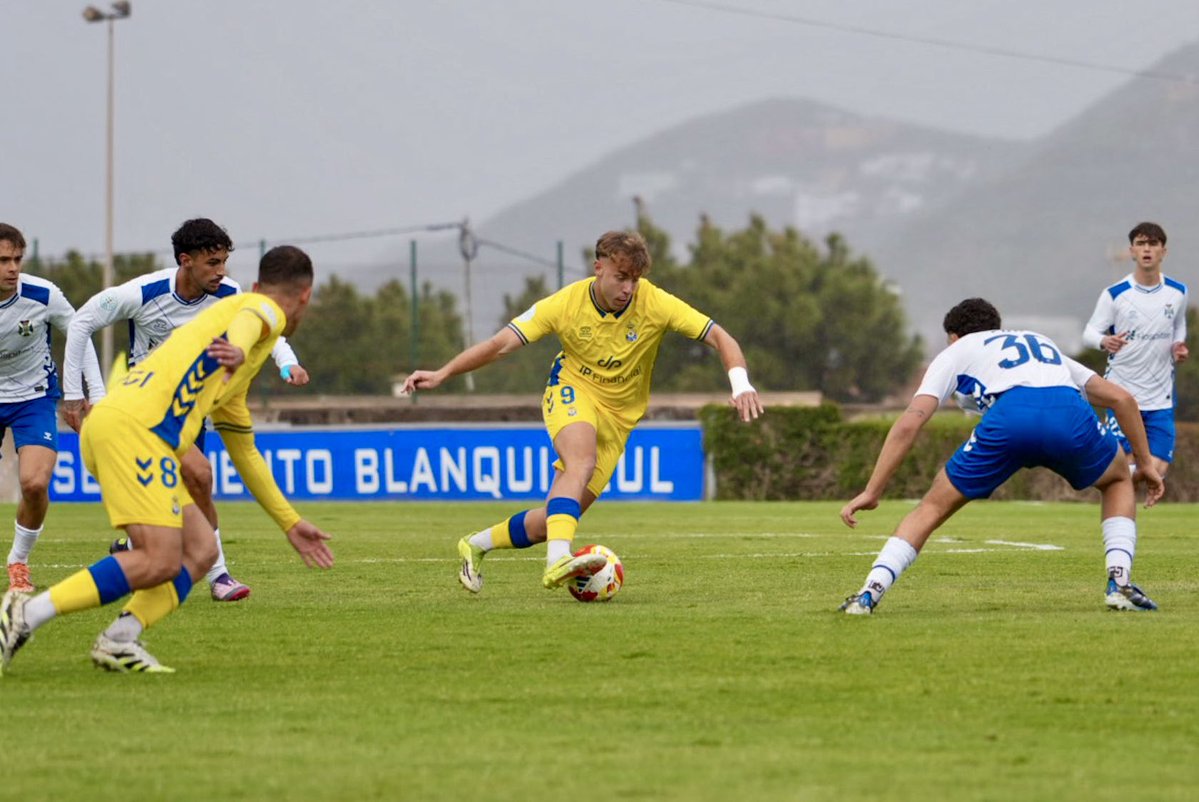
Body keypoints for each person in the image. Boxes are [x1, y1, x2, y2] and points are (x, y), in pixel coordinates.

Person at [0, 245, 333, 674]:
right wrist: (234, 347)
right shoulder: (260, 313)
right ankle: (26, 614)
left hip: (129, 430)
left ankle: (120, 638)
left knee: (198, 552)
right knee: (158, 558)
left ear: (252, 283)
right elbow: (252, 322)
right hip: (133, 433)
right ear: (305, 296)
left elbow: (246, 453)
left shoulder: (233, 375)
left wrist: (289, 521)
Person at [403, 230, 764, 592]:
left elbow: (720, 336)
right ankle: (558, 560)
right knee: (581, 462)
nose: (629, 289)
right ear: (598, 268)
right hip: (571, 390)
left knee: (554, 520)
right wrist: (443, 373)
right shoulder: (564, 304)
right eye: (621, 278)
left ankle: (475, 544)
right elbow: (499, 345)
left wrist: (741, 383)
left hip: (619, 421)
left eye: (635, 280)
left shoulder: (655, 303)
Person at [838, 297, 1164, 615]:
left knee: (932, 506)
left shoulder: (957, 351)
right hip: (1066, 412)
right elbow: (1122, 399)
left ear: (953, 337)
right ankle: (1119, 584)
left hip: (1010, 419)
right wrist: (1146, 464)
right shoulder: (1038, 342)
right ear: (997, 328)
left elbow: (910, 422)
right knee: (1119, 478)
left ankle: (869, 592)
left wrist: (872, 491)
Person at [62, 218, 311, 602]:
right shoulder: (143, 292)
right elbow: (81, 322)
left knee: (190, 489)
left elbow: (262, 323)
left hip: (192, 407)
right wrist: (81, 396)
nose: (221, 271)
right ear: (185, 260)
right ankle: (219, 575)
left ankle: (134, 552)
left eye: (224, 261)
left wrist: (285, 363)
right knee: (199, 475)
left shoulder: (229, 292)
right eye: (212, 262)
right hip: (147, 407)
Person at [0, 223, 105, 594]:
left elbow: (80, 334)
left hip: (34, 396)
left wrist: (95, 394)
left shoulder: (43, 295)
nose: (12, 268)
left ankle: (18, 562)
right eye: (3, 261)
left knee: (33, 483)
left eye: (16, 259)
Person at [1082, 221, 1188, 482]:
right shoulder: (1115, 294)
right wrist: (1104, 342)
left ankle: (1103, 483)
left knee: (1156, 468)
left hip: (1160, 398)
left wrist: (1179, 345)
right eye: (1141, 244)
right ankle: (1117, 513)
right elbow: (1089, 334)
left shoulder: (1178, 292)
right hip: (1123, 395)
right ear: (1132, 251)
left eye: (1153, 243)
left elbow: (1179, 326)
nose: (1147, 249)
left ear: (1164, 251)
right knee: (1126, 464)